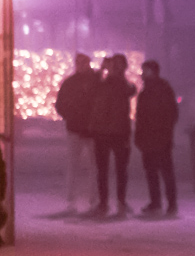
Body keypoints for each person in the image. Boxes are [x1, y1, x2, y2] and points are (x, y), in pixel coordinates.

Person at [87, 54, 136, 217]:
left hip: (116, 132)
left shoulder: (119, 83)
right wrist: (102, 71)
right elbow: (91, 88)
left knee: (117, 170)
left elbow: (130, 90)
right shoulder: (106, 82)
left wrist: (105, 72)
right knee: (106, 170)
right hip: (109, 132)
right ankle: (107, 203)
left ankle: (113, 203)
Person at [53, 53, 100, 215]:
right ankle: (88, 201)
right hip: (86, 129)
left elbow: (60, 104)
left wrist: (70, 117)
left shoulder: (72, 83)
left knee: (79, 166)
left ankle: (77, 201)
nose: (80, 65)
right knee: (89, 167)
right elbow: (60, 104)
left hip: (82, 129)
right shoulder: (95, 81)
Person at [134, 60, 179, 217]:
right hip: (154, 138)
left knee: (161, 172)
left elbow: (170, 114)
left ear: (152, 71)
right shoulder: (154, 90)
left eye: (144, 71)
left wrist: (163, 132)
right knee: (156, 172)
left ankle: (166, 204)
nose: (142, 74)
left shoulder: (156, 90)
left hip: (157, 137)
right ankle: (160, 203)